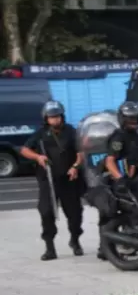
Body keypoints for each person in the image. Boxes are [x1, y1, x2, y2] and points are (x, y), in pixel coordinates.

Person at [18, 101, 85, 260]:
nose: (55, 120)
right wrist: (38, 157)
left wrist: (75, 166)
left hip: (69, 179)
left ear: (62, 117)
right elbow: (24, 150)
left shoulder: (71, 132)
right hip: (48, 179)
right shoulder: (41, 134)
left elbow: (81, 152)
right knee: (46, 212)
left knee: (75, 214)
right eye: (51, 117)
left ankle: (75, 241)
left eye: (57, 117)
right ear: (46, 119)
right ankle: (50, 248)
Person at [104, 101, 138, 236]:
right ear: (122, 119)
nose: (133, 121)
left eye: (135, 118)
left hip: (136, 173)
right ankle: (136, 221)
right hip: (126, 178)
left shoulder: (137, 136)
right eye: (130, 118)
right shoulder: (119, 137)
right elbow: (110, 161)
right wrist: (120, 179)